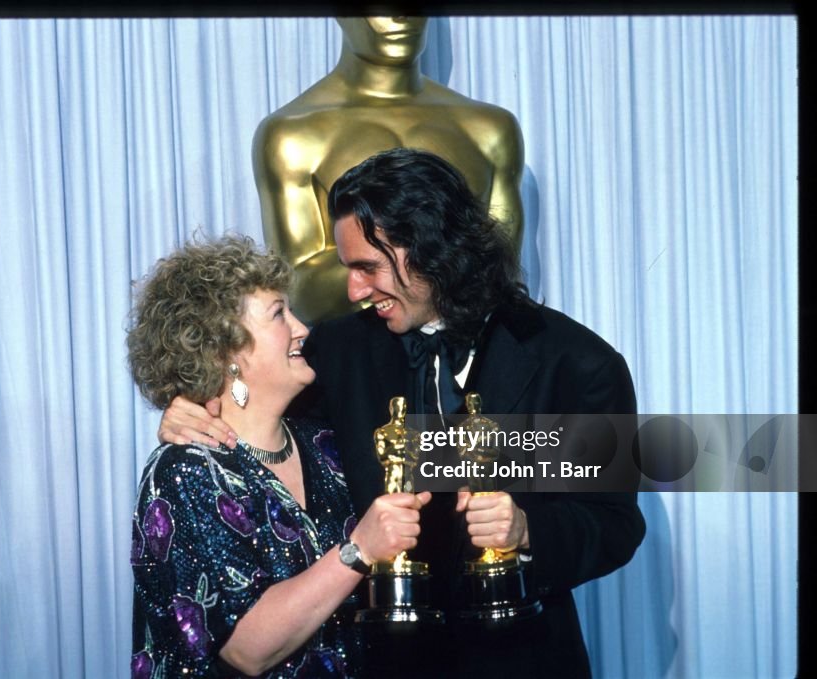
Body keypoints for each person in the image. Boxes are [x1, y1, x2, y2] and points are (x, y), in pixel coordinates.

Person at [159, 149, 646, 677]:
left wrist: (528, 530)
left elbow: (615, 524)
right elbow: (254, 402)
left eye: (368, 267)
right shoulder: (338, 351)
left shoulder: (577, 362)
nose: (354, 290)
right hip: (381, 662)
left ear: (434, 249)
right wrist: (188, 408)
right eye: (350, 269)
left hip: (522, 657)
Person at [127, 235, 430, 678]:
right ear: (223, 351)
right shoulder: (184, 472)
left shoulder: (325, 444)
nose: (302, 328)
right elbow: (247, 649)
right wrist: (359, 549)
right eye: (278, 314)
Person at [252, 16, 524, 325]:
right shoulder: (292, 135)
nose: (401, 15)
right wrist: (437, 258)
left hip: (471, 353)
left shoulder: (489, 129)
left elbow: (502, 270)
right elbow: (301, 290)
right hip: (358, 357)